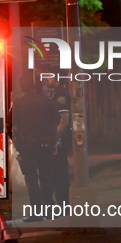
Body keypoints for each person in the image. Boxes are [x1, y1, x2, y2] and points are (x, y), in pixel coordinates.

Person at [10, 76, 58, 221]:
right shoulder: (46, 101)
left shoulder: (18, 103)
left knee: (31, 179)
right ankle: (49, 209)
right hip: (45, 144)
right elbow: (55, 122)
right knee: (46, 176)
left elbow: (10, 125)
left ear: (22, 87)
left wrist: (17, 142)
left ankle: (36, 213)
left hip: (27, 146)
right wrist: (54, 142)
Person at [45, 75, 72, 206]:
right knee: (57, 172)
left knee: (59, 172)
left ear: (58, 79)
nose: (47, 79)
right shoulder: (55, 93)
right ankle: (63, 203)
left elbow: (64, 119)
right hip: (60, 139)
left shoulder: (61, 94)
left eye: (50, 77)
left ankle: (64, 204)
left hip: (62, 139)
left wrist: (56, 139)